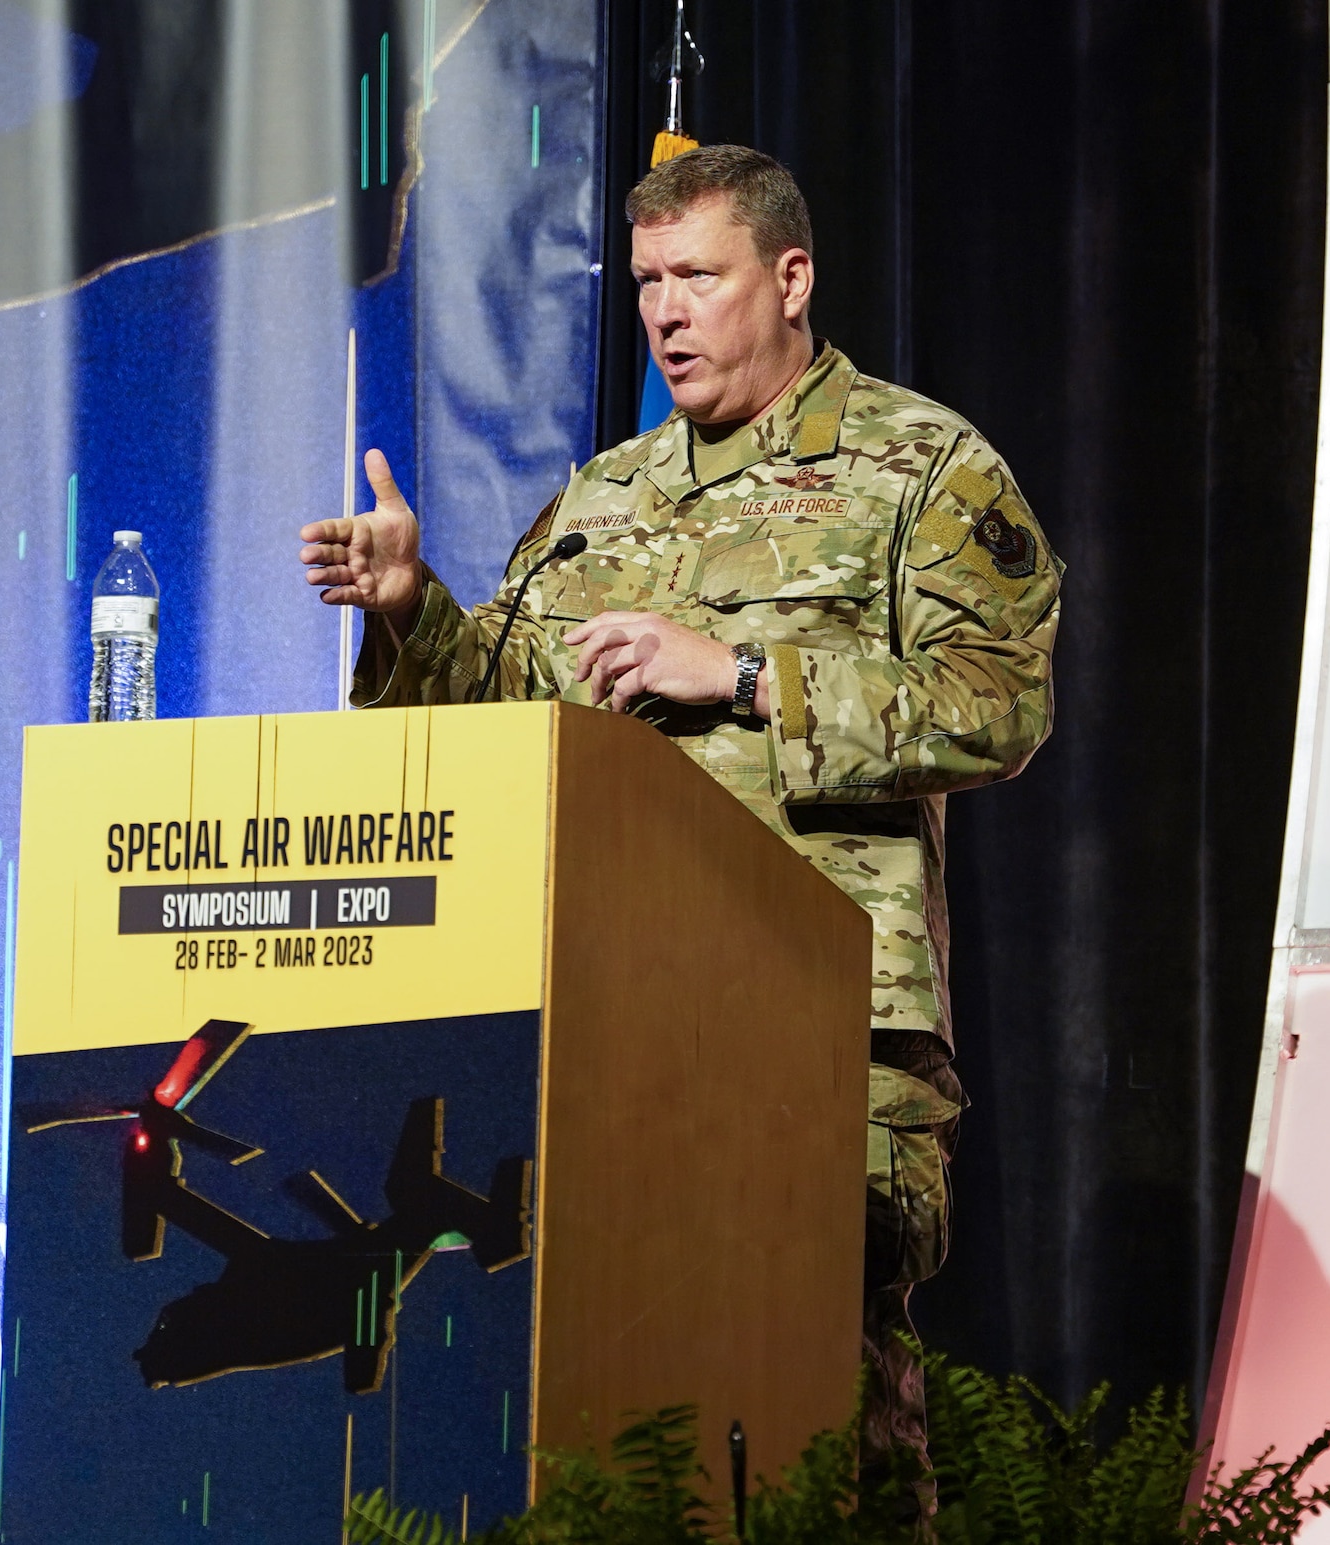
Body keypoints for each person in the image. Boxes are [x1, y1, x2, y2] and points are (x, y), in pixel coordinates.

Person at [295, 144, 1060, 1499]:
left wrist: (754, 679)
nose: (664, 310)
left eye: (698, 276)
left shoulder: (918, 468)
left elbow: (999, 702)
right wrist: (418, 611)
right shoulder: (602, 501)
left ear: (791, 277)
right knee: (624, 1425)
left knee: (825, 1441)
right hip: (612, 1033)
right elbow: (512, 721)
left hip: (822, 1037)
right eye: (648, 281)